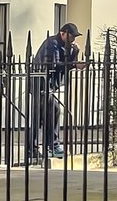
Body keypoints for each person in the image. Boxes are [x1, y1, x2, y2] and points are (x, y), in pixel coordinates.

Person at [29, 22, 80, 160]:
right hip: (40, 83)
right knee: (42, 114)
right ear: (62, 33)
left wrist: (75, 52)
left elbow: (65, 63)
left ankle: (48, 146)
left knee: (51, 112)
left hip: (48, 85)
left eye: (74, 37)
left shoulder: (64, 46)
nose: (73, 40)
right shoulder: (52, 43)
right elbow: (56, 64)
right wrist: (74, 64)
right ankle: (38, 148)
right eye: (71, 36)